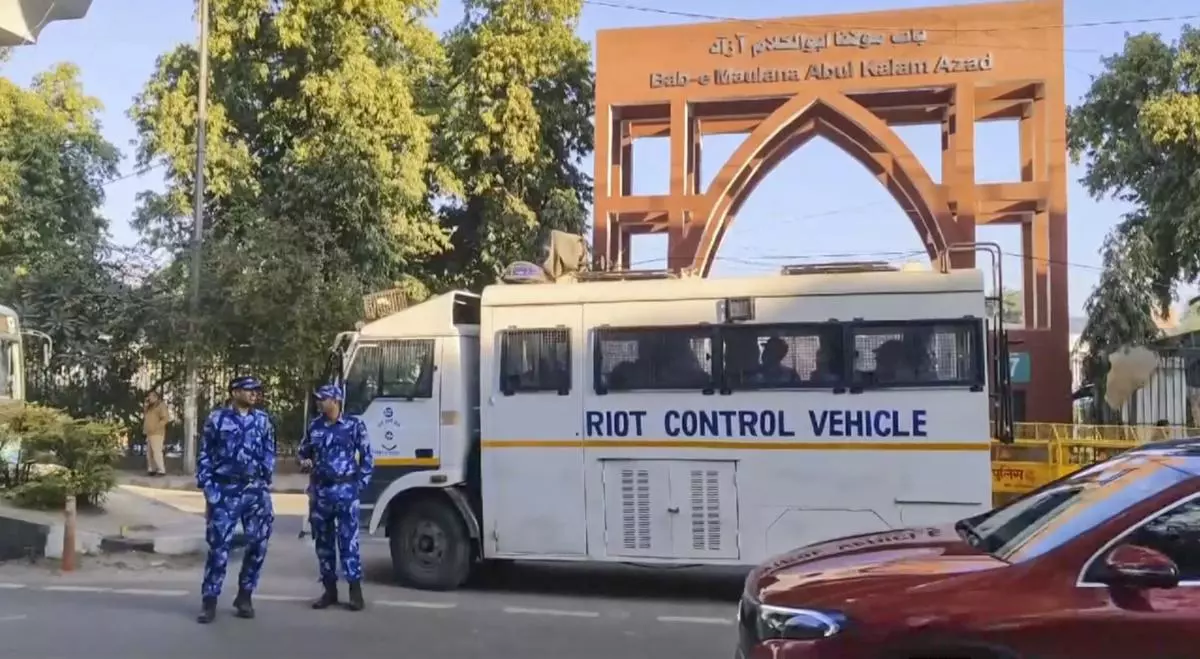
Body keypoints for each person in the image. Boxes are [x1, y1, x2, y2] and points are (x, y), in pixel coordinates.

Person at [195, 376, 276, 624]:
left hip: (254, 491)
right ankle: (209, 601)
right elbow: (205, 455)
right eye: (249, 390)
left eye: (257, 391)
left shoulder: (262, 421)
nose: (254, 394)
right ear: (235, 392)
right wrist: (208, 488)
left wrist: (264, 478)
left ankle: (245, 595)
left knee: (257, 544)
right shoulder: (217, 419)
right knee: (219, 548)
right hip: (225, 490)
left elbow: (269, 451)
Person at [298, 384, 374, 612]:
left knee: (348, 542)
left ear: (336, 401)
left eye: (324, 399)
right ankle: (329, 590)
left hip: (345, 492)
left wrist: (359, 485)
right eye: (319, 399)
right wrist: (304, 461)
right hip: (321, 494)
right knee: (323, 544)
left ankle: (355, 591)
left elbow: (368, 457)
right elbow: (303, 451)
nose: (320, 403)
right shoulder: (315, 426)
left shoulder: (354, 425)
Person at [142, 391, 170, 476]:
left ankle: (161, 470)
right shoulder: (149, 407)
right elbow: (146, 417)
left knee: (157, 451)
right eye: (148, 397)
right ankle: (152, 469)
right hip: (149, 432)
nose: (149, 398)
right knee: (149, 453)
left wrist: (157, 427)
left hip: (157, 432)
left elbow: (165, 418)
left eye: (150, 397)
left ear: (155, 397)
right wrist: (145, 406)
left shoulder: (161, 405)